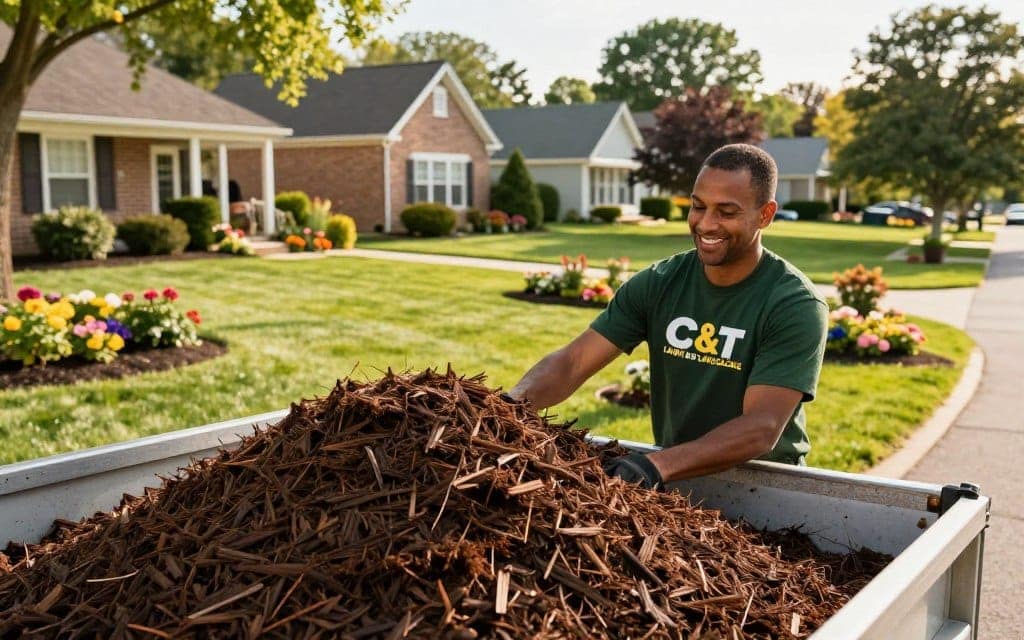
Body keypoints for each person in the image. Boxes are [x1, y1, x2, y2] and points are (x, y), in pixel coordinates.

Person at [506, 144, 828, 488]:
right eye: (698, 206)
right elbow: (572, 362)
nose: (705, 223)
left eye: (726, 212)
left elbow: (762, 426)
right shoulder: (660, 284)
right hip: (677, 472)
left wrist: (654, 467)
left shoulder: (793, 303)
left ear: (765, 215)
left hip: (766, 485)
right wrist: (506, 409)